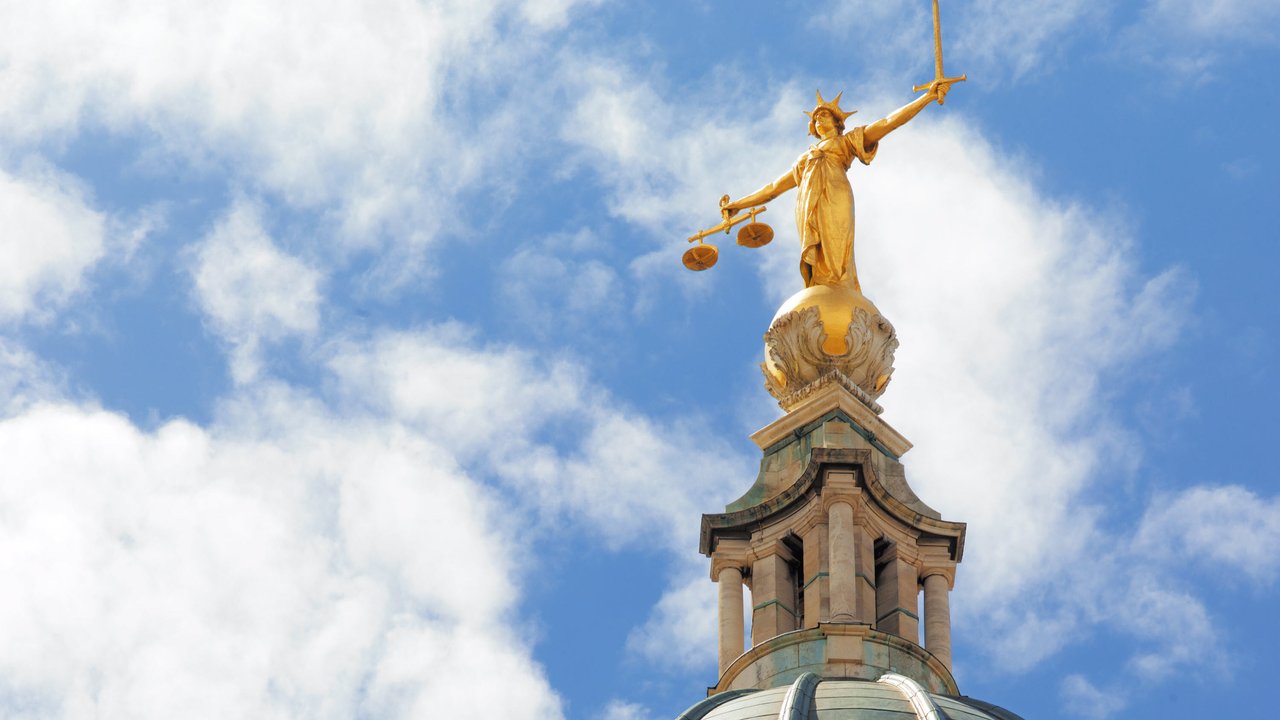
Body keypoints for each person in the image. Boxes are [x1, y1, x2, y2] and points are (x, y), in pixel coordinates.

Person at [723, 83, 952, 291]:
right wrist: (738, 205)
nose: (818, 120)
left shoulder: (846, 142)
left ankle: (840, 287)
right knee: (819, 250)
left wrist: (926, 98)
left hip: (835, 195)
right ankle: (822, 288)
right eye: (815, 119)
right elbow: (772, 188)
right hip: (808, 205)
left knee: (837, 244)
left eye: (823, 115)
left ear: (836, 122)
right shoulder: (804, 160)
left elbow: (887, 123)